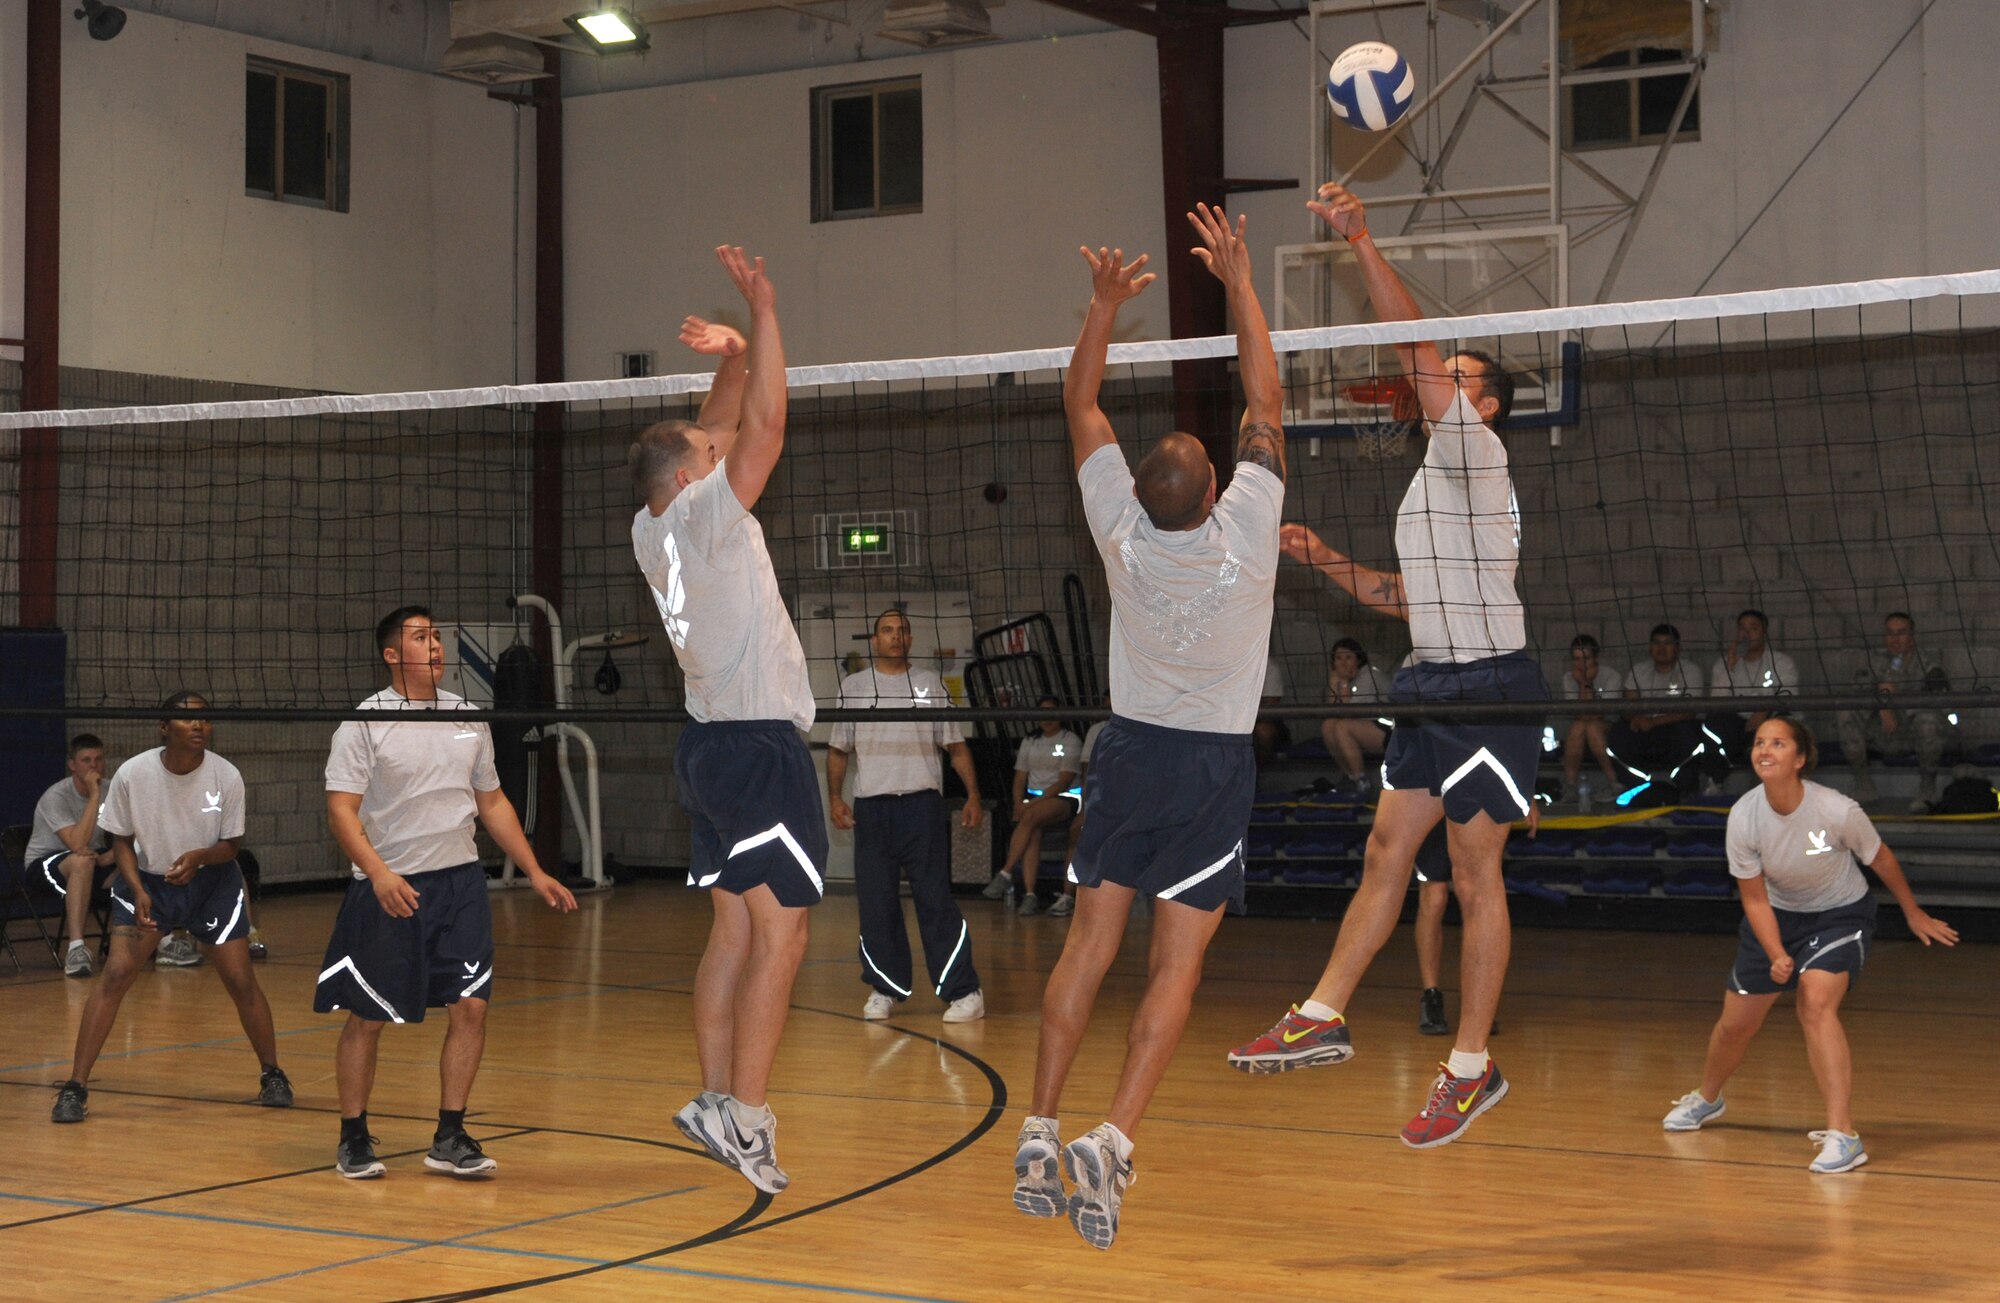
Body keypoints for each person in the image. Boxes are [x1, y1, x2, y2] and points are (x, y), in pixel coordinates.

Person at [1227, 182, 1543, 1151]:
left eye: (1453, 375)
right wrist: (1322, 560)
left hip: (1490, 687)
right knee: (1381, 852)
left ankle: (1467, 1063)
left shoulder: (1475, 450)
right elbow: (1408, 601)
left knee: (1474, 870)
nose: (1432, 382)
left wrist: (1362, 240)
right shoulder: (1427, 485)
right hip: (1426, 683)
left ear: (1480, 401)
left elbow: (1410, 348)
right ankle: (1323, 1013)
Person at [1012, 203, 1284, 1250]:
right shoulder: (1250, 526)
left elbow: (1078, 399)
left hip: (1122, 753)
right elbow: (1264, 395)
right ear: (1217, 489)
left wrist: (1102, 307)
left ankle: (1038, 1120)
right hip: (1210, 770)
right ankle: (1110, 1140)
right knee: (1175, 969)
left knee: (1086, 947)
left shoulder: (1118, 525)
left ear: (1141, 489)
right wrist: (1237, 280)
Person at [630, 246, 823, 1197]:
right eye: (711, 456)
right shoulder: (706, 516)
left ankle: (713, 1098)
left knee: (733, 938)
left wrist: (734, 352)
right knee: (781, 940)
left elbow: (709, 425)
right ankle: (746, 1113)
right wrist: (767, 307)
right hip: (757, 746)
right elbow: (768, 425)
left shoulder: (652, 522)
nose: (725, 447)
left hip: (708, 747)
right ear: (692, 480)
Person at [316, 606, 576, 1179]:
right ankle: (354, 1135)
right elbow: (341, 809)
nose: (434, 646)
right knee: (366, 1017)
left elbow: (492, 801)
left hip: (460, 885)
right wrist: (380, 873)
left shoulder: (467, 717)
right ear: (391, 655)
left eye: (436, 636)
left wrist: (534, 870)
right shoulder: (364, 722)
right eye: (419, 638)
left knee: (472, 1009)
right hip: (390, 886)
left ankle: (450, 1134)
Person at [1661, 716, 1957, 1173]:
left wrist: (1913, 912)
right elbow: (1754, 898)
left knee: (1815, 1003)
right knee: (1735, 1026)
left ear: (1799, 759)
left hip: (1841, 915)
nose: (1766, 750)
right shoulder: (1743, 815)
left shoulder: (1836, 810)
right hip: (1776, 917)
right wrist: (1778, 952)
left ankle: (1844, 1135)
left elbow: (1881, 858)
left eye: (1778, 743)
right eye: (1760, 742)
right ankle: (1708, 1097)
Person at [50, 693, 292, 1124]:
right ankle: (75, 1086)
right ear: (164, 728)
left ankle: (273, 1074)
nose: (198, 726)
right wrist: (139, 887)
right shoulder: (133, 774)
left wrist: (199, 857)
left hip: (212, 884)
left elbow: (232, 845)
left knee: (240, 980)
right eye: (186, 719)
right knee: (117, 976)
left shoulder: (227, 775)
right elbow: (119, 839)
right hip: (148, 885)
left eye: (204, 720)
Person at [828, 608, 987, 1023]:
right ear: (875, 639)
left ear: (910, 639)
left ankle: (965, 991)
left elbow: (955, 746)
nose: (895, 636)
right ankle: (884, 988)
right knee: (877, 905)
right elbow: (838, 749)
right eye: (887, 630)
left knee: (935, 901)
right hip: (873, 810)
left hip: (922, 808)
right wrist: (834, 798)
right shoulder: (854, 687)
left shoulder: (931, 684)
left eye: (902, 631)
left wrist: (972, 794)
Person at [1836, 611, 1955, 811]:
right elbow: (1857, 689)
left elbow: (1943, 708)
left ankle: (1927, 788)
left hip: (1915, 734)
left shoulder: (1929, 667)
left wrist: (1897, 702)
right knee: (1846, 714)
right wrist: (1882, 702)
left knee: (1928, 721)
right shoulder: (1877, 662)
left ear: (1912, 636)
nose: (1895, 638)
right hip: (1884, 732)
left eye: (1901, 632)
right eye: (1890, 633)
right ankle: (1864, 786)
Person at [981, 698, 1081, 916]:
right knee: (1032, 828)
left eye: (1051, 712)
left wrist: (1030, 805)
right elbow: (1020, 777)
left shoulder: (1070, 740)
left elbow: (1063, 781)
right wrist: (1018, 804)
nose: (1046, 718)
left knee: (1031, 816)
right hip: (1034, 802)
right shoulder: (1030, 741)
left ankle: (1006, 872)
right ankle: (1029, 894)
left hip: (1065, 798)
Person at [23, 734, 111, 977]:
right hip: (47, 865)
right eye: (86, 760)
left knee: (137, 859)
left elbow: (135, 834)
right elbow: (77, 843)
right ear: (72, 764)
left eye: (98, 759)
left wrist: (109, 858)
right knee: (81, 861)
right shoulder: (56, 796)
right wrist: (94, 795)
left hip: (90, 859)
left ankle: (156, 942)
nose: (93, 766)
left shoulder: (112, 789)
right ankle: (76, 949)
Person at [1702, 609, 1799, 790]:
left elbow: (1788, 695)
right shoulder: (1724, 663)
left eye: (1753, 628)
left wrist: (1763, 711)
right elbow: (1717, 702)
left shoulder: (1781, 662)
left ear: (1763, 633)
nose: (1746, 633)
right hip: (1739, 724)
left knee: (1783, 723)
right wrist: (1729, 668)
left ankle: (1769, 785)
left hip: (1770, 720)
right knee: (1712, 723)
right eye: (1742, 629)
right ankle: (1715, 782)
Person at [1606, 623, 1707, 791]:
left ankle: (1684, 789)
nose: (1661, 648)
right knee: (1618, 733)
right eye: (1656, 643)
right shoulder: (1639, 670)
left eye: (1667, 643)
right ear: (1650, 647)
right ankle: (1635, 786)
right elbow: (1628, 704)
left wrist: (1655, 722)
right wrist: (1636, 718)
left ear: (1678, 647)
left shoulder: (1690, 671)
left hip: (1673, 727)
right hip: (1644, 726)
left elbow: (1690, 711)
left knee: (1690, 732)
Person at [1558, 635, 1622, 809]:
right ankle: (1570, 786)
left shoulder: (1611, 676)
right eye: (1577, 659)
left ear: (1595, 658)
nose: (1581, 664)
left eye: (1586, 659)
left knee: (1591, 726)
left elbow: (1602, 713)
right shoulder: (1569, 678)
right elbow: (1579, 714)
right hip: (1582, 728)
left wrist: (1585, 682)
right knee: (1580, 727)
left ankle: (1613, 782)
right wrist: (1583, 683)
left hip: (1611, 727)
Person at [1320, 639, 1393, 792]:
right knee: (1328, 725)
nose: (1343, 663)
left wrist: (1344, 683)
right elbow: (1332, 712)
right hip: (1364, 727)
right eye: (1338, 658)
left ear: (1358, 659)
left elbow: (1350, 714)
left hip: (1390, 730)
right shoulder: (1343, 679)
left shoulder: (1369, 676)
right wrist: (1334, 684)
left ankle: (1361, 780)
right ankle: (1351, 777)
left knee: (1342, 726)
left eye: (1348, 658)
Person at [1252, 654, 1290, 766]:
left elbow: (1270, 708)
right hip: (1232, 721)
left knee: (1264, 731)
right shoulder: (1229, 665)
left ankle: (1259, 773)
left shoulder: (1270, 667)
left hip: (1261, 721)